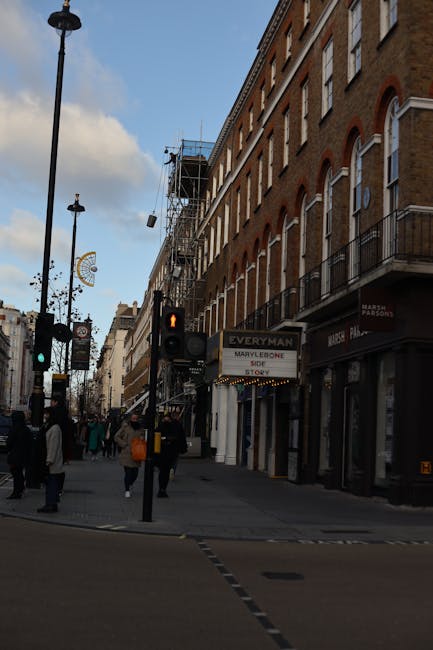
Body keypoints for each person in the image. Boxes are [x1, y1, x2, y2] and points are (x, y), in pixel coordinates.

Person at [37, 407, 64, 513]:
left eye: (47, 414)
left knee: (52, 484)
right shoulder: (49, 426)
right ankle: (51, 504)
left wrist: (49, 460)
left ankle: (50, 504)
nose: (45, 416)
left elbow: (53, 445)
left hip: (52, 463)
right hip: (48, 459)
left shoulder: (55, 428)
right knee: (50, 484)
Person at [156, 411, 188, 498]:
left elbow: (180, 438)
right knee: (164, 471)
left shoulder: (163, 426)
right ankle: (162, 489)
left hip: (167, 452)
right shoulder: (166, 426)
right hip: (166, 452)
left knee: (164, 472)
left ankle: (162, 489)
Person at [114, 412, 144, 498]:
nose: (135, 420)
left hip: (137, 453)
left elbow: (142, 438)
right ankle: (127, 490)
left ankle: (130, 483)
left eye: (136, 418)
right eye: (133, 418)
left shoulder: (140, 429)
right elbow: (116, 436)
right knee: (128, 473)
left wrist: (142, 439)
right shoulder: (125, 427)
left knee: (135, 474)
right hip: (127, 454)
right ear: (130, 419)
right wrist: (124, 444)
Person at [6, 410, 33, 499]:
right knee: (20, 473)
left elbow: (9, 442)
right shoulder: (26, 429)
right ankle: (20, 489)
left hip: (14, 455)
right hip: (24, 455)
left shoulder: (14, 429)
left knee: (16, 474)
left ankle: (16, 492)